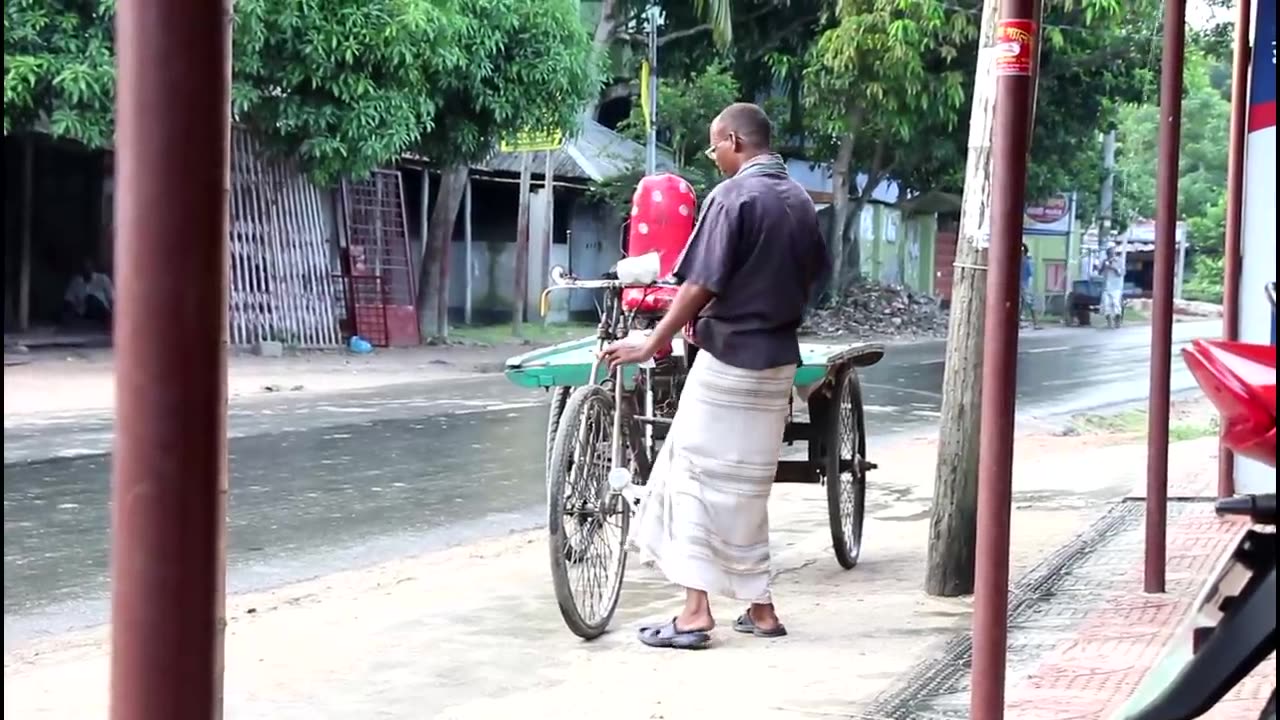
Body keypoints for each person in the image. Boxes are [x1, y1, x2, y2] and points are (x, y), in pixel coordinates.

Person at [599, 102, 830, 650]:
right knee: (746, 489)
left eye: (714, 148)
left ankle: (695, 612)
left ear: (733, 140)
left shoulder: (733, 196)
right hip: (777, 361)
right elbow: (817, 279)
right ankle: (762, 608)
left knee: (689, 478)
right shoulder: (800, 200)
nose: (715, 159)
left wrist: (654, 340)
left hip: (728, 358)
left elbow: (700, 283)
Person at [62, 258, 115, 327]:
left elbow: (111, 298)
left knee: (92, 299)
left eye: (88, 268)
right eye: (84, 268)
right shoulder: (75, 282)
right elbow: (69, 300)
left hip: (102, 310)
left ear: (93, 268)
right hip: (84, 313)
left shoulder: (102, 279)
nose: (86, 270)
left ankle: (104, 319)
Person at [1097, 245, 1126, 328]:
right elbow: (1099, 272)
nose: (1110, 255)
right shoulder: (1104, 261)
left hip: (1116, 286)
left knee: (1116, 303)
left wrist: (1114, 268)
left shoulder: (1119, 261)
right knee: (1106, 305)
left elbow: (1122, 273)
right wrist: (1103, 267)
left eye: (1112, 253)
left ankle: (1117, 320)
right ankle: (1109, 321)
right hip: (1106, 286)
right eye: (1109, 253)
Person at [1020, 243, 1041, 330]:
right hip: (1024, 284)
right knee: (1025, 304)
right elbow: (1030, 274)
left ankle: (1035, 323)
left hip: (1023, 285)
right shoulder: (1026, 261)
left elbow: (1029, 275)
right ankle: (1035, 323)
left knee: (1027, 303)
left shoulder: (1025, 261)